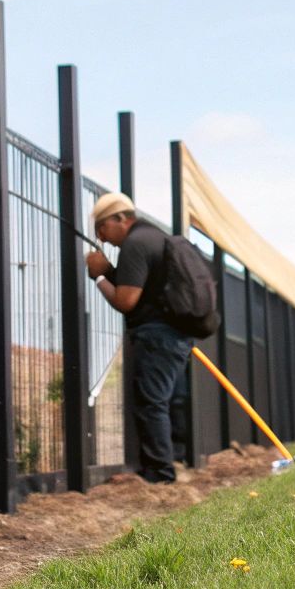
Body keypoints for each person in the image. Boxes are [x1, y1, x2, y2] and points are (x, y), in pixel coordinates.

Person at [85, 192, 191, 484]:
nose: (101, 238)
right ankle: (173, 462)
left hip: (157, 336)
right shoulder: (155, 237)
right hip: (176, 334)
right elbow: (145, 288)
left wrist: (98, 277)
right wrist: (111, 271)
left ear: (121, 219)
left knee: (151, 402)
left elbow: (126, 300)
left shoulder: (135, 244)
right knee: (169, 401)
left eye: (102, 228)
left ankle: (160, 474)